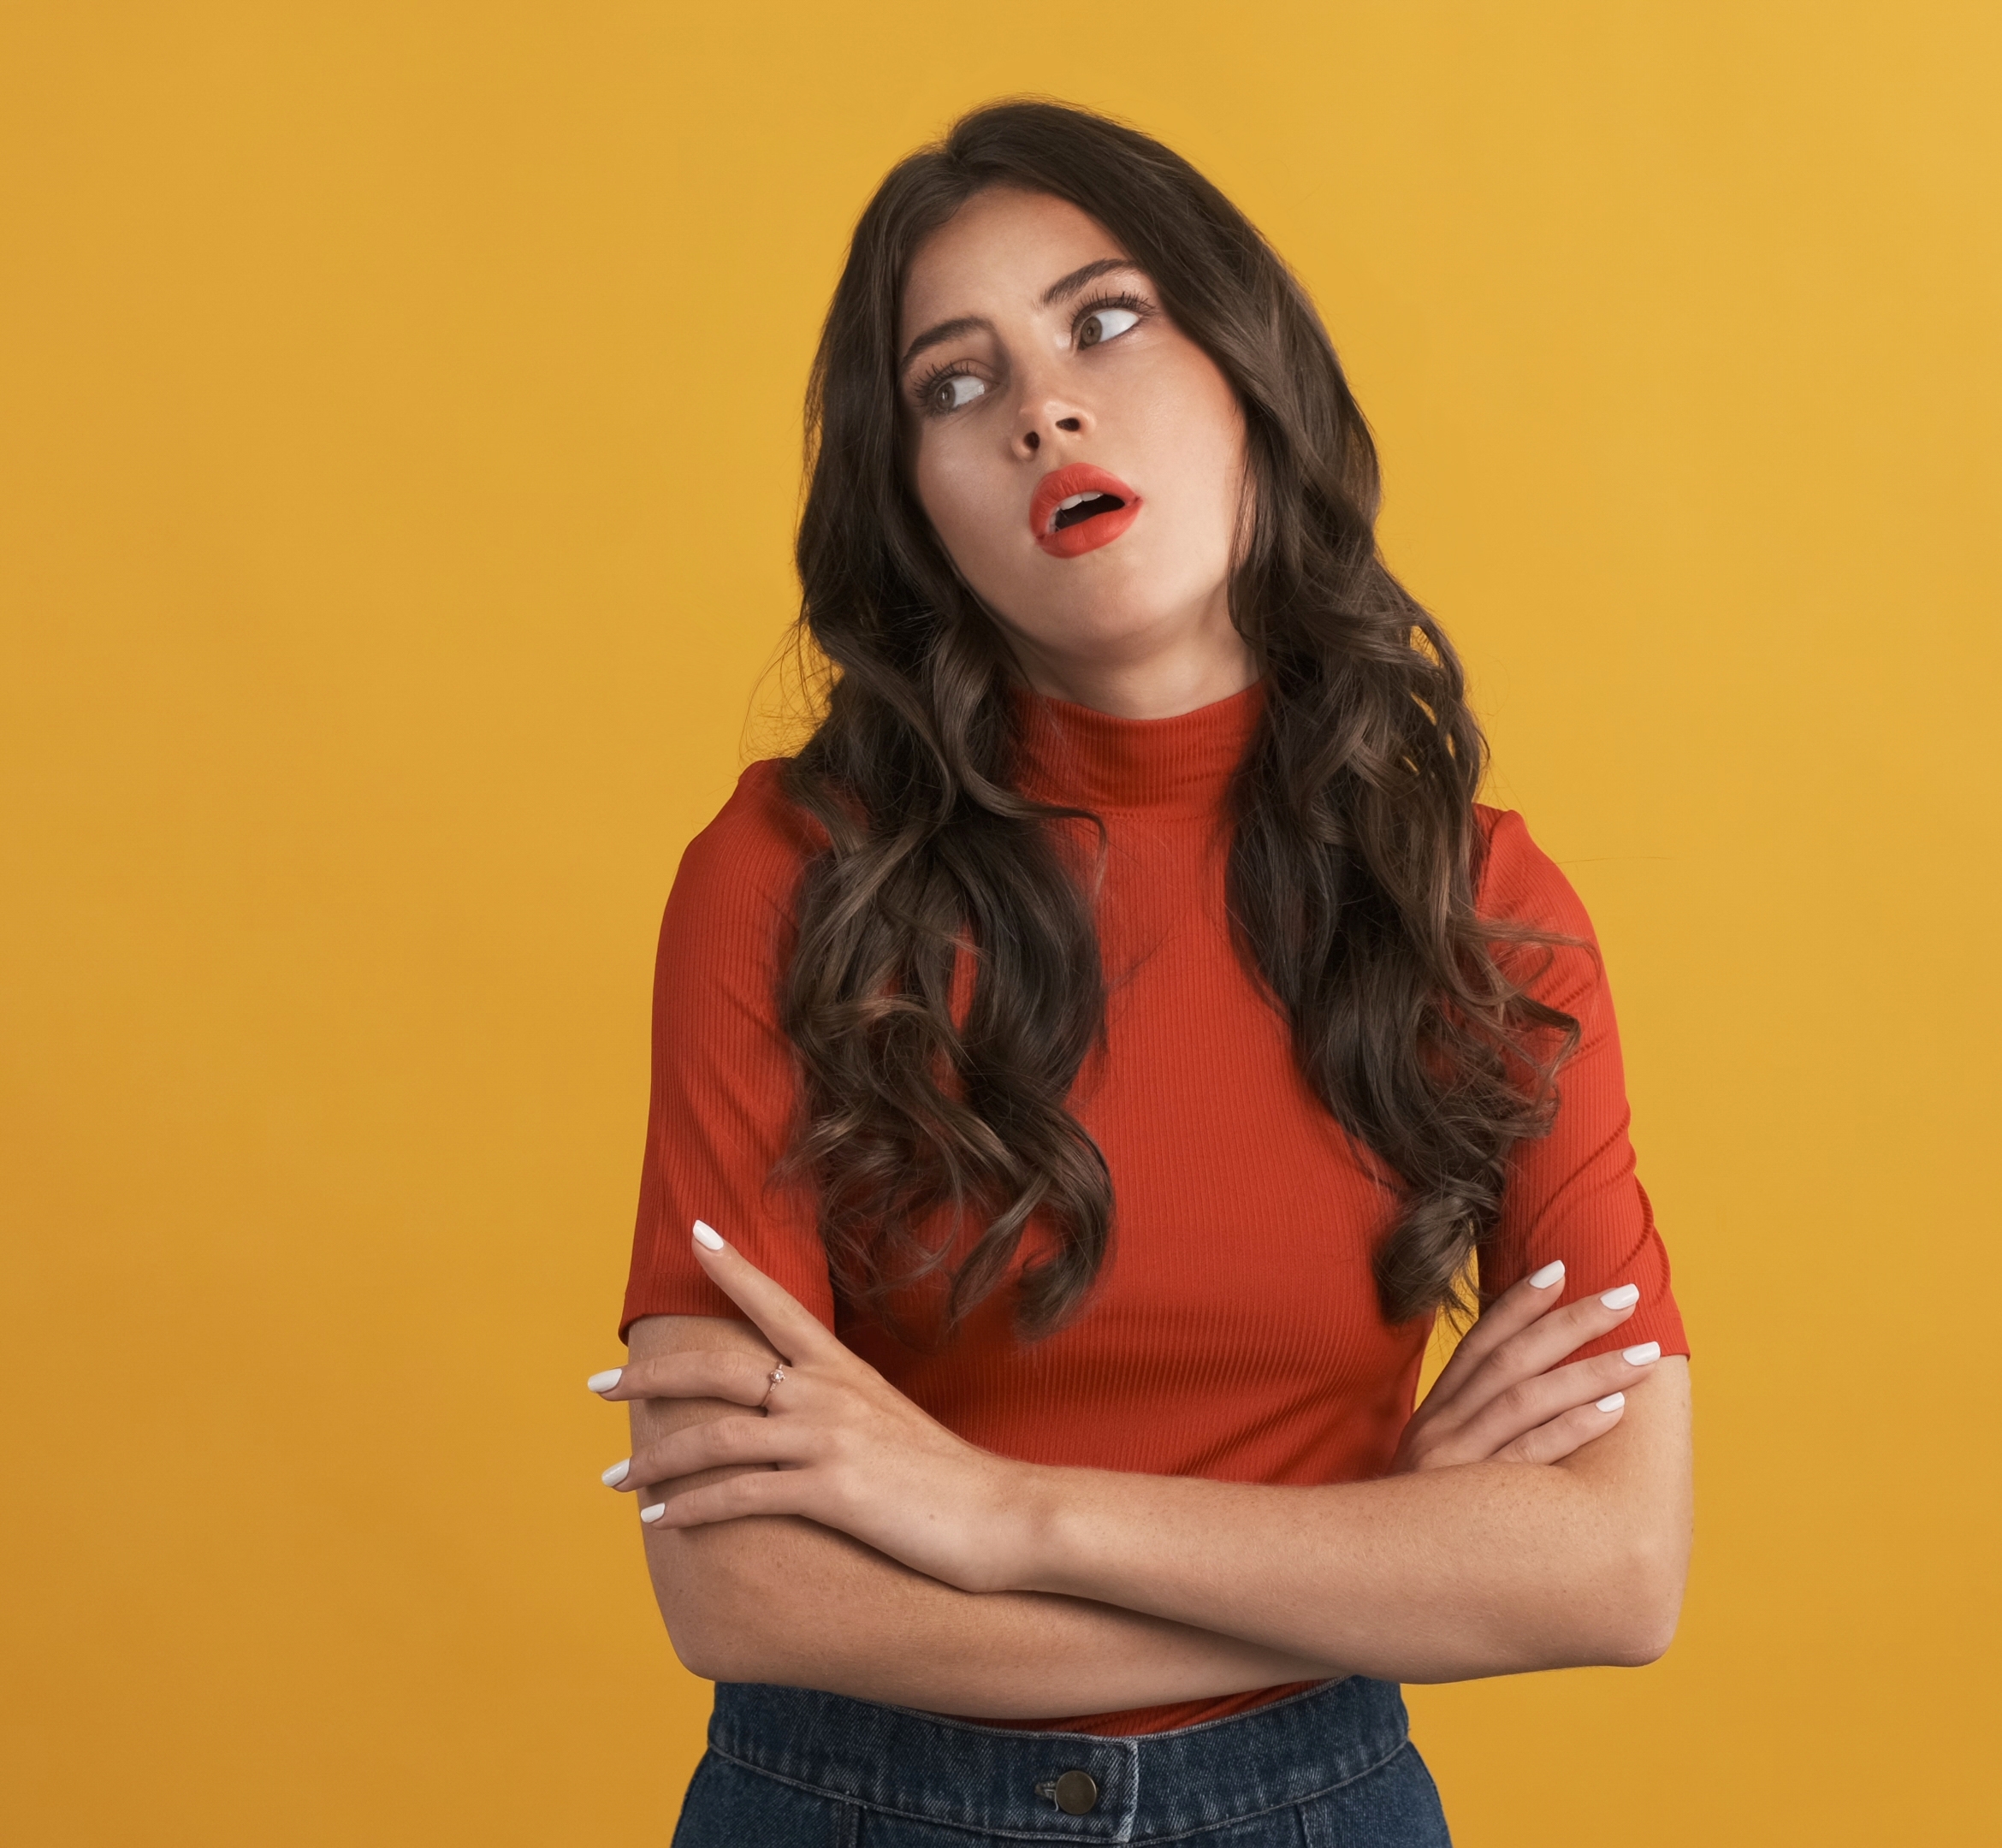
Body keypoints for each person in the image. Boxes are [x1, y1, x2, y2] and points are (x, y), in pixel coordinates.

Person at [593, 98, 1691, 1845]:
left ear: (1253, 375)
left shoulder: (1475, 904)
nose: (1041, 408)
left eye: (1105, 321)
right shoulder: (788, 881)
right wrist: (1374, 1555)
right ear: (917, 512)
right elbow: (746, 1594)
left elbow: (1617, 1567)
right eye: (956, 385)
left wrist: (998, 1513)